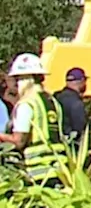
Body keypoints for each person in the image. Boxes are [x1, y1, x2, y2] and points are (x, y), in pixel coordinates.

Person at [0, 54, 68, 184]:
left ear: (27, 79)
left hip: (39, 173)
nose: (16, 85)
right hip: (60, 169)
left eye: (18, 80)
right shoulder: (52, 101)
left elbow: (19, 141)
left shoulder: (26, 104)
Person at [52, 67, 89, 147]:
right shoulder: (76, 103)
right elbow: (80, 129)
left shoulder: (55, 98)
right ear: (81, 81)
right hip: (70, 147)